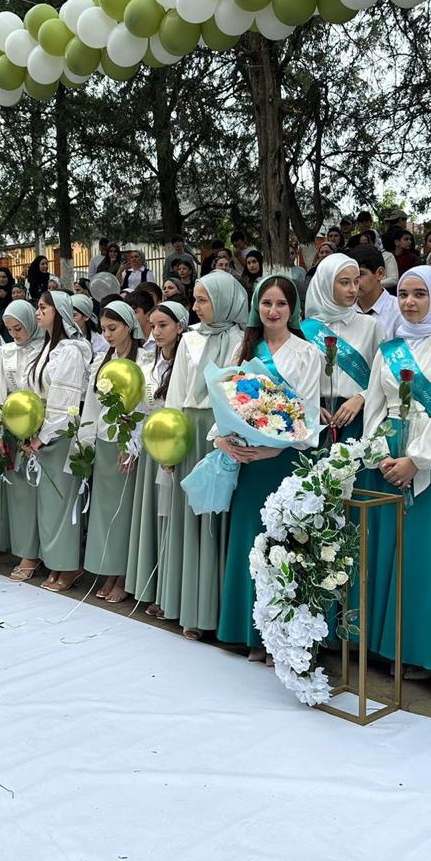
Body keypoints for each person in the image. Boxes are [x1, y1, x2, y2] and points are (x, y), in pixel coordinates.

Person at [359, 267, 431, 679]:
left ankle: (420, 651)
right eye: (404, 294)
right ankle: (381, 643)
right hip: (388, 457)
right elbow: (375, 406)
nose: (409, 302)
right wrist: (378, 453)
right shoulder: (389, 348)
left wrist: (418, 460)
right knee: (385, 547)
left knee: (425, 552)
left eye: (420, 294)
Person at [216, 275, 323, 659]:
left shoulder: (307, 353)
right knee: (251, 542)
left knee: (282, 545)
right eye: (266, 303)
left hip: (285, 462)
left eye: (281, 304)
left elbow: (307, 411)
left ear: (293, 309)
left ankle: (278, 639)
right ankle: (248, 633)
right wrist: (221, 439)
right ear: (256, 307)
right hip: (248, 460)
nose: (273, 311)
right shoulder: (243, 347)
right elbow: (224, 399)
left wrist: (275, 449)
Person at [161, 271, 248, 638]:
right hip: (191, 430)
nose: (195, 307)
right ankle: (192, 611)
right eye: (194, 299)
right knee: (193, 518)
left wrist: (229, 433)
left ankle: (219, 613)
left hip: (226, 433)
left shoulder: (242, 339)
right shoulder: (190, 338)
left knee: (220, 518)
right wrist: (169, 443)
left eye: (203, 300)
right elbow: (176, 394)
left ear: (224, 300)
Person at [23, 291, 91, 593]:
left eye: (43, 308)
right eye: (37, 307)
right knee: (49, 503)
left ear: (59, 312)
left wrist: (42, 436)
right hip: (42, 430)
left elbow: (64, 400)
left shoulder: (71, 350)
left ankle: (69, 565)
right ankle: (54, 563)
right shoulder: (47, 347)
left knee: (63, 501)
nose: (38, 312)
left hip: (61, 433)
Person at [79, 301, 146, 603]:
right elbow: (93, 404)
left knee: (124, 511)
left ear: (129, 327)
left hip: (127, 443)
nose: (107, 335)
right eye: (104, 329)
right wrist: (86, 443)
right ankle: (108, 568)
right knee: (105, 511)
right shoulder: (101, 360)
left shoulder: (143, 359)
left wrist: (132, 444)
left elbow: (143, 405)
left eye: (113, 328)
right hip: (105, 441)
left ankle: (123, 574)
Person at [126, 300, 189, 613]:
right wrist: (133, 446)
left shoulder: (186, 361)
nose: (157, 332)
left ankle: (169, 593)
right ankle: (150, 587)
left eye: (164, 325)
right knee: (151, 518)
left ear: (180, 326)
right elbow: (140, 408)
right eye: (153, 326)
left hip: (174, 447)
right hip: (150, 447)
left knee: (170, 519)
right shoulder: (148, 361)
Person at [0, 300, 47, 576]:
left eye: (18, 328)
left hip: (41, 430)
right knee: (18, 494)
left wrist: (40, 431)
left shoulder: (46, 349)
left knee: (36, 494)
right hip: (12, 429)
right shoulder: (6, 352)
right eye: (9, 329)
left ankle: (34, 554)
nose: (14, 334)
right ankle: (22, 550)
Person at [302, 254, 383, 444]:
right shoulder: (304, 330)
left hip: (357, 417)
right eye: (344, 282)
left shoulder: (371, 326)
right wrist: (308, 405)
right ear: (325, 283)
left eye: (356, 281)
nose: (353, 289)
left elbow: (384, 375)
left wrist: (362, 397)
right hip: (316, 418)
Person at [348, 245, 400, 340]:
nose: (354, 282)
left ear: (380, 273)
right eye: (349, 275)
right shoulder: (345, 309)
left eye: (360, 274)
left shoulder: (399, 311)